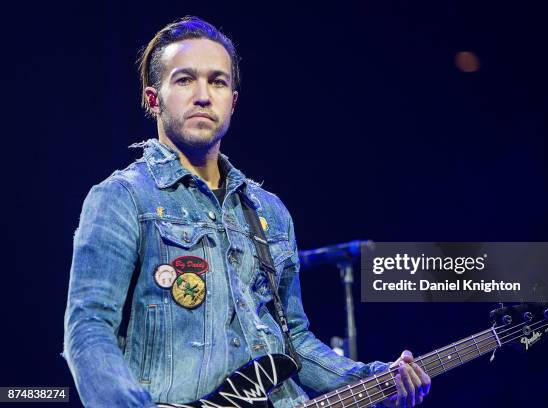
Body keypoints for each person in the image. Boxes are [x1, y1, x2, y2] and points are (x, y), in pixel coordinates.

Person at [63, 16, 431, 408]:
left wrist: (374, 378)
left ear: (233, 102)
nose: (203, 95)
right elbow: (88, 329)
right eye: (185, 80)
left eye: (218, 82)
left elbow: (295, 342)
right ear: (154, 99)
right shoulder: (122, 198)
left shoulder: (269, 212)